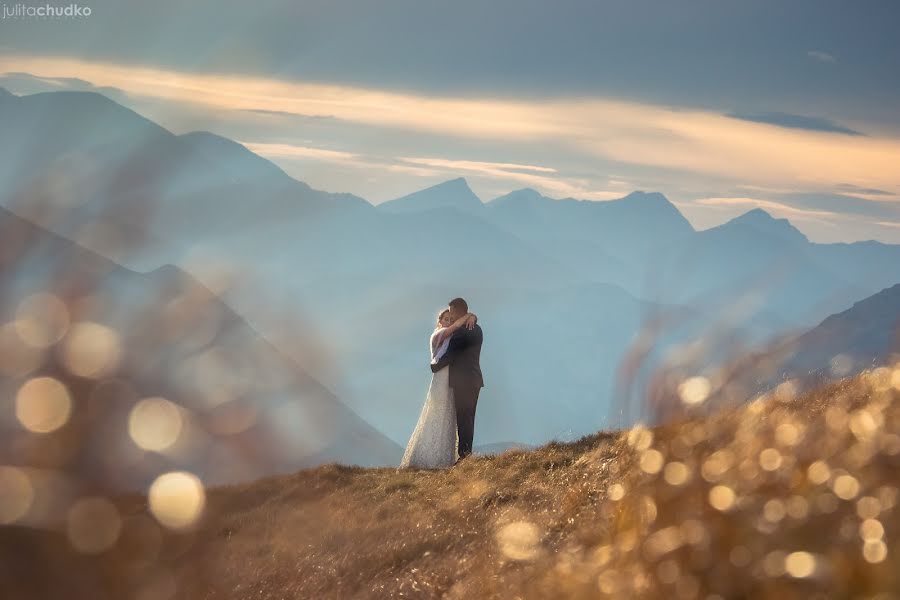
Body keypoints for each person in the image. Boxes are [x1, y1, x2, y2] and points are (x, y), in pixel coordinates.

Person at [399, 306, 477, 468]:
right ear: (439, 321)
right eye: (445, 319)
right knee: (437, 414)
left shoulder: (453, 334)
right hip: (441, 377)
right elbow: (456, 327)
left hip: (451, 378)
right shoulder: (437, 334)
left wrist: (472, 318)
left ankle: (444, 458)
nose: (449, 322)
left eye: (451, 319)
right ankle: (426, 458)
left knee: (448, 416)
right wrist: (470, 315)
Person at [430, 297, 484, 463]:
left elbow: (450, 356)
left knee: (463, 419)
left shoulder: (460, 333)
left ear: (457, 310)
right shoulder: (478, 329)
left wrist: (435, 366)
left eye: (451, 310)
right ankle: (466, 454)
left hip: (463, 381)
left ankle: (464, 456)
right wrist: (471, 316)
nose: (450, 313)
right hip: (475, 379)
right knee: (469, 417)